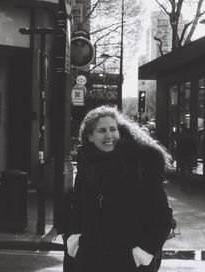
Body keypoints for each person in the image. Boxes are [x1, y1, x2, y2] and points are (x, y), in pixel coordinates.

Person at [67, 105, 173, 272]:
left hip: (129, 264)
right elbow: (76, 209)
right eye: (102, 131)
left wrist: (141, 254)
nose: (109, 136)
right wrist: (74, 241)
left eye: (113, 129)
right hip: (90, 261)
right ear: (90, 136)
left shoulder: (139, 164)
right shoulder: (86, 165)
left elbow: (163, 217)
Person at [176, 124, 197, 192]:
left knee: (183, 171)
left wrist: (178, 158)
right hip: (189, 157)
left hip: (183, 157)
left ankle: (184, 185)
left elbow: (178, 149)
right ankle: (189, 184)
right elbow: (195, 149)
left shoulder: (181, 140)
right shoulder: (192, 140)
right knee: (189, 171)